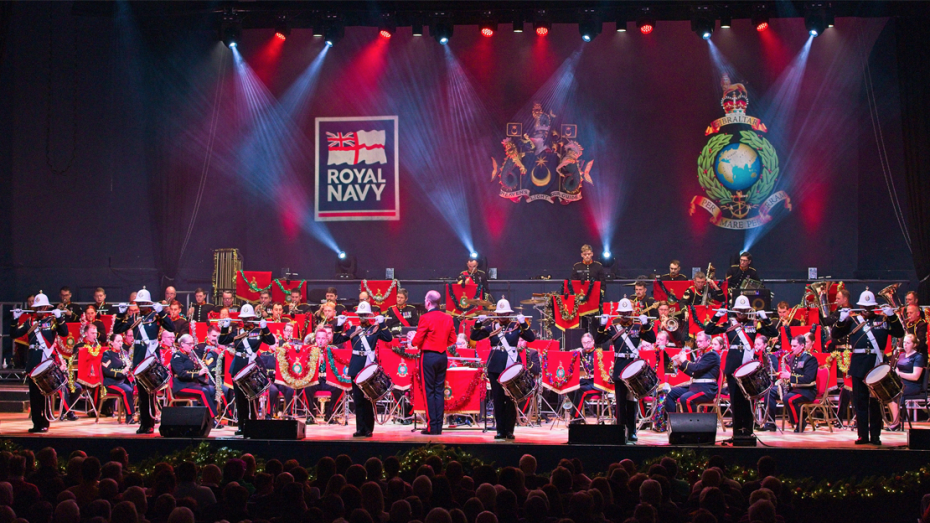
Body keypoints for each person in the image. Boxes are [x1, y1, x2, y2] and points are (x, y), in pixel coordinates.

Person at [832, 290, 904, 445]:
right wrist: (841, 320)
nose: (866, 309)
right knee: (860, 402)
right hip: (859, 365)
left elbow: (899, 332)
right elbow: (835, 335)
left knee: (876, 403)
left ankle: (875, 435)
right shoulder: (853, 320)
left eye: (869, 307)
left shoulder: (882, 320)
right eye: (864, 306)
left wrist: (892, 316)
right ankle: (862, 435)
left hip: (876, 365)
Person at [704, 295, 777, 443]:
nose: (741, 313)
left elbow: (773, 333)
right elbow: (709, 330)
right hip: (733, 368)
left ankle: (748, 432)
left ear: (748, 310)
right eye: (739, 310)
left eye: (744, 310)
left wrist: (765, 319)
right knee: (735, 401)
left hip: (748, 369)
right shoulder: (729, 324)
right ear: (735, 310)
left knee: (749, 401)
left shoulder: (754, 324)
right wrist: (717, 316)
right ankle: (737, 433)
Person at [113, 287, 175, 434]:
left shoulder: (155, 316)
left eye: (143, 303)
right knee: (142, 393)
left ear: (149, 303)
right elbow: (117, 330)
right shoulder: (134, 317)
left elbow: (171, 327)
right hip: (139, 357)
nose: (141, 306)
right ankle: (144, 424)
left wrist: (162, 312)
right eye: (139, 303)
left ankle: (151, 423)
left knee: (151, 392)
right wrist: (120, 313)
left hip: (151, 356)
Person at [471, 298, 535, 440]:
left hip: (511, 367)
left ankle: (509, 430)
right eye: (499, 313)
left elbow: (531, 338)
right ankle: (500, 430)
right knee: (498, 399)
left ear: (509, 313)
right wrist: (478, 323)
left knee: (511, 400)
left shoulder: (516, 326)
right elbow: (474, 336)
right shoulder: (492, 327)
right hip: (495, 367)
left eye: (504, 313)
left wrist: (524, 323)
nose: (502, 316)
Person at [595, 298, 655, 442]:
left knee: (632, 401)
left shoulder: (637, 327)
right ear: (619, 313)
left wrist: (646, 324)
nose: (625, 315)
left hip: (633, 368)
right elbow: (598, 340)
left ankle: (632, 431)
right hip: (620, 368)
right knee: (620, 402)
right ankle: (621, 430)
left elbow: (652, 339)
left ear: (631, 312)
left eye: (627, 312)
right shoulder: (613, 328)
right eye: (622, 312)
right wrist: (602, 325)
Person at [332, 301, 393, 437]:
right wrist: (339, 325)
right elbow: (337, 340)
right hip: (356, 365)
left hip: (368, 366)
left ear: (369, 315)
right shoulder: (354, 329)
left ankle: (368, 428)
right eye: (360, 314)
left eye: (365, 314)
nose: (362, 317)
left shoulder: (374, 329)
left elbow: (388, 338)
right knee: (358, 399)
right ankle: (360, 428)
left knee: (368, 399)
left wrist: (382, 324)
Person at [218, 304, 275, 435]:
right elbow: (222, 340)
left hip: (252, 365)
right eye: (243, 318)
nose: (246, 320)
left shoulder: (258, 331)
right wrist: (225, 327)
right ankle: (241, 426)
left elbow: (271, 341)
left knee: (254, 397)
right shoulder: (237, 331)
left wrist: (265, 328)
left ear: (253, 317)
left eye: (248, 317)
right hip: (238, 366)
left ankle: (253, 425)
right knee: (240, 398)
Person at [411, 290, 457, 435]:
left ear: (428, 302)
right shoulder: (448, 318)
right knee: (439, 391)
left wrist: (412, 341)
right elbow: (453, 339)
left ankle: (432, 426)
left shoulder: (425, 318)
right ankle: (438, 426)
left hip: (428, 356)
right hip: (442, 356)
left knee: (429, 391)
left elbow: (417, 340)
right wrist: (441, 343)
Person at [761, 335, 818, 432]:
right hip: (794, 389)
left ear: (802, 346)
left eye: (795, 346)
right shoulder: (794, 357)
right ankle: (771, 423)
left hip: (807, 390)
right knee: (769, 392)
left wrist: (790, 377)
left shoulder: (810, 359)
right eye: (791, 346)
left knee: (789, 398)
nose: (792, 348)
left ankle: (800, 422)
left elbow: (808, 379)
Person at [170, 334, 222, 427]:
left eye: (192, 344)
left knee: (212, 390)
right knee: (203, 391)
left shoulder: (190, 355)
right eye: (189, 344)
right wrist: (198, 373)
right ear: (182, 344)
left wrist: (200, 367)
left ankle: (205, 418)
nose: (192, 346)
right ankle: (211, 419)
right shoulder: (177, 356)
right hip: (182, 386)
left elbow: (193, 370)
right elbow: (181, 373)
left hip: (192, 384)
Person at [664, 332, 719, 415]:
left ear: (708, 341)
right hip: (696, 387)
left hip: (707, 389)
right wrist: (680, 364)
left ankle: (693, 422)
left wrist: (684, 361)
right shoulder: (702, 355)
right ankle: (673, 419)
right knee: (669, 393)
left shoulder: (712, 355)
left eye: (700, 341)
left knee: (686, 399)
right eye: (697, 341)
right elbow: (693, 373)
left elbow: (696, 368)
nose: (698, 344)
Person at [888, 334, 927, 430]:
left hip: (912, 385)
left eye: (908, 343)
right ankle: (895, 420)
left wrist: (899, 374)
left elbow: (915, 377)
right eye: (904, 342)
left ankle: (896, 423)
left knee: (894, 394)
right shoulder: (901, 355)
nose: (905, 345)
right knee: (886, 392)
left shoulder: (918, 357)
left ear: (914, 344)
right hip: (901, 383)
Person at [302, 329, 341, 424]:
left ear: (327, 339)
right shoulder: (310, 350)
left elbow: (337, 367)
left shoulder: (332, 350)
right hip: (315, 379)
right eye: (318, 338)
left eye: (323, 338)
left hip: (327, 379)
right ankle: (311, 415)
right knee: (307, 387)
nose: (320, 340)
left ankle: (329, 414)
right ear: (315, 339)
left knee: (340, 388)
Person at [261, 324, 295, 418]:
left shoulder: (281, 355)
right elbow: (262, 371)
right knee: (273, 390)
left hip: (280, 380)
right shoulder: (264, 355)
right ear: (268, 344)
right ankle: (269, 413)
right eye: (273, 343)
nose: (276, 345)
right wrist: (272, 373)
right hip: (269, 381)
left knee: (290, 389)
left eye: (276, 343)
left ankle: (289, 413)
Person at [101, 333, 135, 423]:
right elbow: (107, 370)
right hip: (112, 382)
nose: (120, 343)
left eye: (121, 341)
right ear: (111, 343)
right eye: (118, 341)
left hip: (123, 381)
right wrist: (121, 372)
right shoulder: (107, 354)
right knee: (127, 390)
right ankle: (129, 416)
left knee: (137, 387)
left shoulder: (124, 353)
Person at [569, 333, 598, 424]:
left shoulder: (598, 353)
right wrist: (575, 351)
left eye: (588, 342)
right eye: (584, 343)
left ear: (593, 342)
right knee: (570, 388)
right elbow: (569, 354)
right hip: (587, 381)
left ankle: (575, 418)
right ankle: (579, 415)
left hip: (596, 383)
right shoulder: (582, 353)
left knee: (579, 390)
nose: (587, 345)